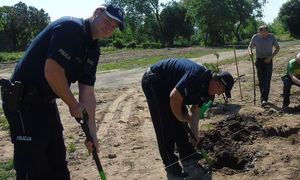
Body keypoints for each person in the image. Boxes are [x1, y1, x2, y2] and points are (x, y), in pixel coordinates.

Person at [0, 4, 125, 180]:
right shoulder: (71, 28)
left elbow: (87, 93)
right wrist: (73, 104)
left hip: (46, 102)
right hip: (23, 102)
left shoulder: (93, 50)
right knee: (33, 167)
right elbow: (52, 71)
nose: (109, 28)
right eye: (107, 21)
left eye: (114, 27)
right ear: (97, 12)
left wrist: (92, 134)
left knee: (58, 163)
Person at [141, 58, 234, 179]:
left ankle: (187, 154)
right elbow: (174, 97)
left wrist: (194, 134)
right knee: (165, 124)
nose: (219, 94)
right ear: (217, 84)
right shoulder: (196, 76)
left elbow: (195, 113)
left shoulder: (209, 96)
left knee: (181, 122)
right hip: (155, 79)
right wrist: (181, 117)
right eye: (222, 91)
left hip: (172, 86)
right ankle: (171, 165)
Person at [248, 25, 280, 106]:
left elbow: (277, 48)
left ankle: (264, 99)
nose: (264, 35)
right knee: (261, 80)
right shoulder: (255, 37)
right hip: (259, 60)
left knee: (267, 79)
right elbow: (249, 47)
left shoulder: (272, 37)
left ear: (267, 31)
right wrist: (250, 52)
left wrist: (270, 57)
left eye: (265, 33)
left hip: (268, 60)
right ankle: (263, 98)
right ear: (259, 32)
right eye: (262, 33)